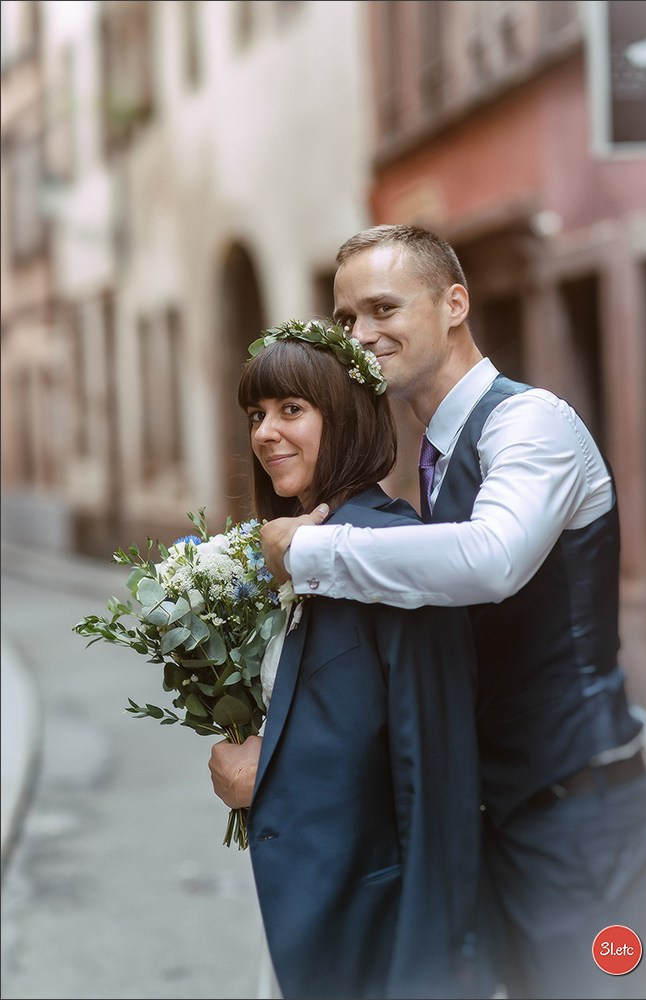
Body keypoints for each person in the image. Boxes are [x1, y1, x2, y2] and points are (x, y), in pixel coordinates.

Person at [257, 226, 646, 1000]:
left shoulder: (530, 423)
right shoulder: (433, 455)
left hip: (583, 825)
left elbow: (490, 560)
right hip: (496, 817)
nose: (359, 335)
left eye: (382, 308)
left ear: (454, 304)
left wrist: (305, 553)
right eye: (345, 318)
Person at [208, 320, 492, 1000]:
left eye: (291, 409)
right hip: (307, 920)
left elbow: (434, 775)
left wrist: (429, 973)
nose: (265, 433)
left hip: (379, 936)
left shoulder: (392, 557)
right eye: (256, 415)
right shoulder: (288, 557)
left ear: (344, 418)